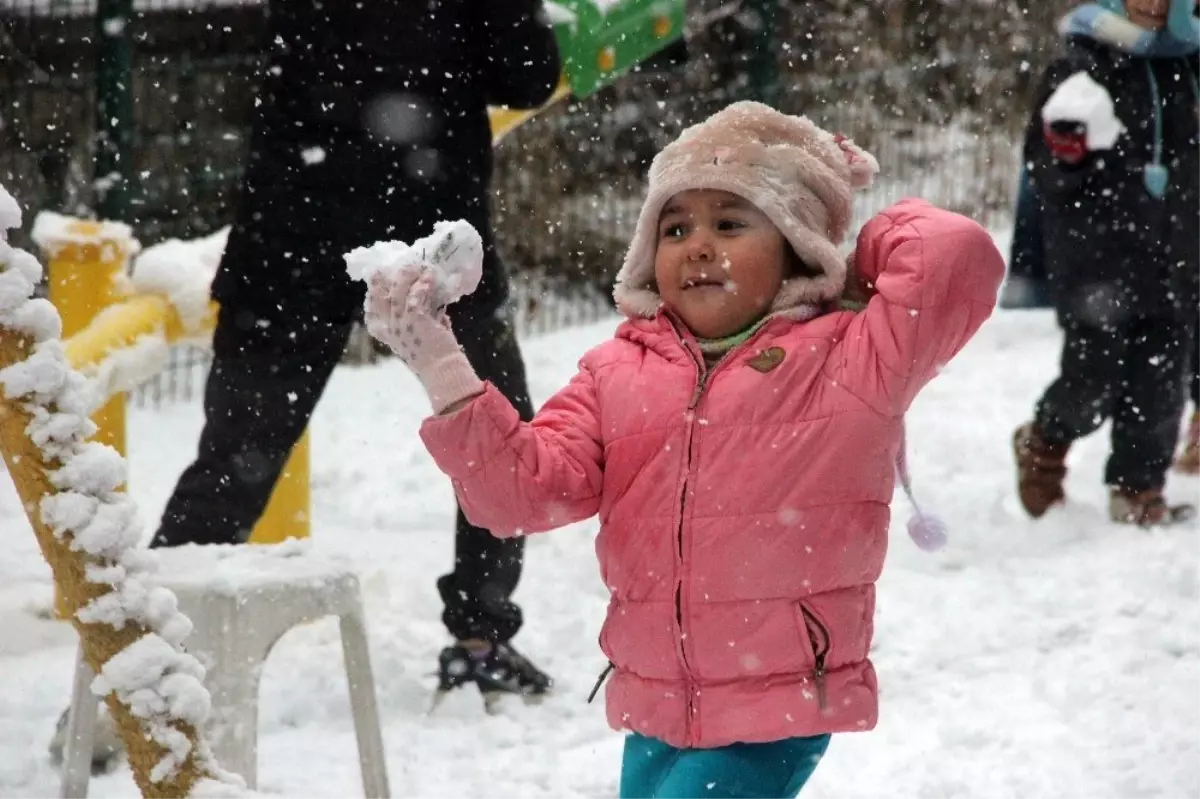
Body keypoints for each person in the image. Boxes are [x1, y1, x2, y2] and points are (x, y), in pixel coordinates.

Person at [363, 101, 1003, 798]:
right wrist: (442, 368)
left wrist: (834, 228)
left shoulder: (852, 360)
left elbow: (956, 254)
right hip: (657, 701)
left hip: (778, 702)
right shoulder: (616, 372)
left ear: (793, 240)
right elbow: (518, 493)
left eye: (731, 222)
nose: (698, 245)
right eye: (675, 227)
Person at [51, 0, 560, 771]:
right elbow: (528, 76)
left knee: (229, 469)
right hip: (421, 234)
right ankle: (482, 635)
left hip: (295, 233)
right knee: (495, 443)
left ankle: (128, 678)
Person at [1012, 0, 1200, 526]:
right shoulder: (1083, 61)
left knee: (1159, 390)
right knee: (1090, 380)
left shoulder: (1190, 66)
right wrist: (1066, 151)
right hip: (1099, 264)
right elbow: (1043, 167)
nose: (1150, 2)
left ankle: (1139, 490)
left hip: (1177, 262)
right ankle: (1044, 442)